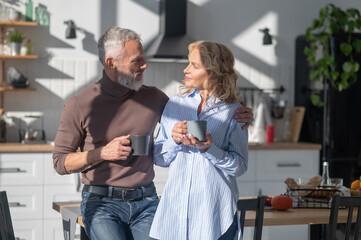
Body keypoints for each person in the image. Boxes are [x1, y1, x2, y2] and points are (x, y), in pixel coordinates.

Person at [52, 27, 253, 240]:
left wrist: (242, 113)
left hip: (146, 201)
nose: (144, 65)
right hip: (102, 202)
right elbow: (60, 162)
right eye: (136, 61)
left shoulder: (155, 99)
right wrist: (102, 153)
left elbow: (200, 108)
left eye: (143, 59)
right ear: (112, 63)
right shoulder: (80, 104)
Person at [150, 41, 248, 240]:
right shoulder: (175, 104)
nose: (186, 70)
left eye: (194, 66)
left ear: (214, 71)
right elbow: (159, 158)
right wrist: (174, 141)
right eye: (188, 63)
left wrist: (210, 149)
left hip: (213, 218)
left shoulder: (234, 111)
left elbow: (240, 166)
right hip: (174, 217)